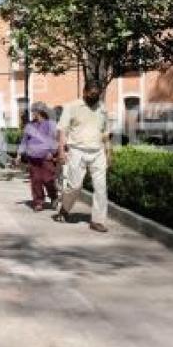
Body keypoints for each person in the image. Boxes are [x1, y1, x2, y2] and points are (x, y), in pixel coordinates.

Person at [54, 81, 112, 233]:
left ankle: (97, 221)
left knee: (101, 188)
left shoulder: (102, 108)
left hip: (98, 151)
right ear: (84, 92)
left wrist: (109, 152)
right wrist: (61, 151)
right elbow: (62, 131)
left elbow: (105, 133)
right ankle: (65, 209)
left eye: (97, 94)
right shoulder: (72, 107)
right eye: (92, 94)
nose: (95, 97)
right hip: (77, 151)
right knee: (75, 186)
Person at [15, 103, 59, 212]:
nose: (33, 114)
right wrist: (19, 154)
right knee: (36, 180)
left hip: (46, 157)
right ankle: (38, 202)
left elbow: (55, 140)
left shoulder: (51, 124)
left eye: (34, 111)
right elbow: (24, 141)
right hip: (33, 157)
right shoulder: (30, 126)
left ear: (40, 112)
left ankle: (54, 197)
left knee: (48, 180)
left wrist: (52, 152)